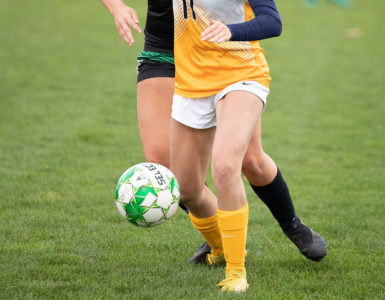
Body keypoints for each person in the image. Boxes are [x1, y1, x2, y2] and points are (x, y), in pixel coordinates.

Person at [99, 0, 327, 272]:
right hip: (163, 50)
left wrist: (232, 30)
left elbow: (271, 19)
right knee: (168, 169)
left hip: (223, 53)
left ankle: (292, 224)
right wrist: (116, 7)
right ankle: (221, 239)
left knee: (249, 161)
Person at [170, 0, 327, 292]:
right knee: (187, 188)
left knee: (227, 165)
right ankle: (217, 248)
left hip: (241, 73)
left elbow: (272, 21)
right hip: (191, 82)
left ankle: (236, 272)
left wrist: (231, 30)